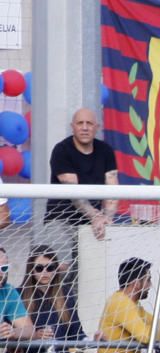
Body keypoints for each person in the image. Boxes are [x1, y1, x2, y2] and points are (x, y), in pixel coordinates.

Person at [42, 108, 119, 264]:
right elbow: (74, 192)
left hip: (93, 222)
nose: (84, 127)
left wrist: (107, 218)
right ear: (73, 127)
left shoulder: (105, 150)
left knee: (94, 271)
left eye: (89, 123)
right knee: (61, 269)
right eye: (80, 123)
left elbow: (113, 189)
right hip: (62, 220)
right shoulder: (62, 150)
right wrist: (95, 216)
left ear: (97, 127)